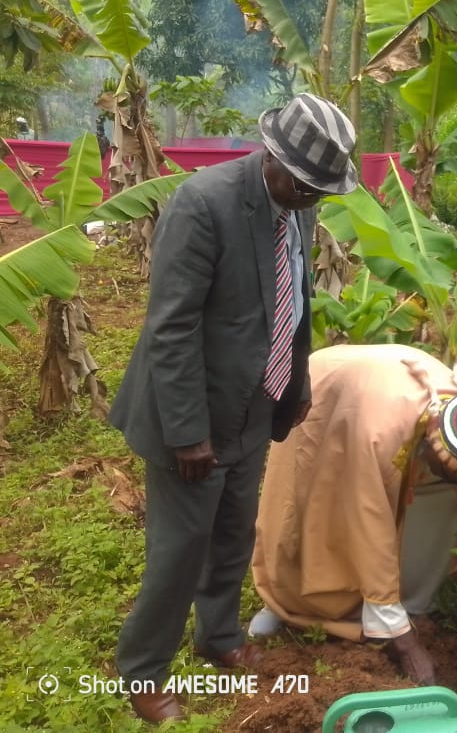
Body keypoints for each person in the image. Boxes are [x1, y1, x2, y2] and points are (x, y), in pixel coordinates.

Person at [109, 93, 358, 723]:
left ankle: (217, 636)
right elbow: (171, 328)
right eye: (306, 185)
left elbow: (292, 302)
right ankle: (141, 672)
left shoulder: (296, 207)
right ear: (273, 157)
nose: (313, 198)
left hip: (254, 404)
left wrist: (295, 383)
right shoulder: (205, 203)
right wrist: (188, 433)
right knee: (180, 546)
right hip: (192, 415)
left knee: (230, 534)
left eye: (321, 190)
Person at [249, 344, 457, 703]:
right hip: (329, 394)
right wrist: (406, 646)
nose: (455, 484)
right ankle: (281, 601)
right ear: (430, 447)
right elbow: (371, 531)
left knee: (431, 513)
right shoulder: (380, 435)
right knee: (312, 509)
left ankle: (397, 607)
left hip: (388, 395)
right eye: (444, 472)